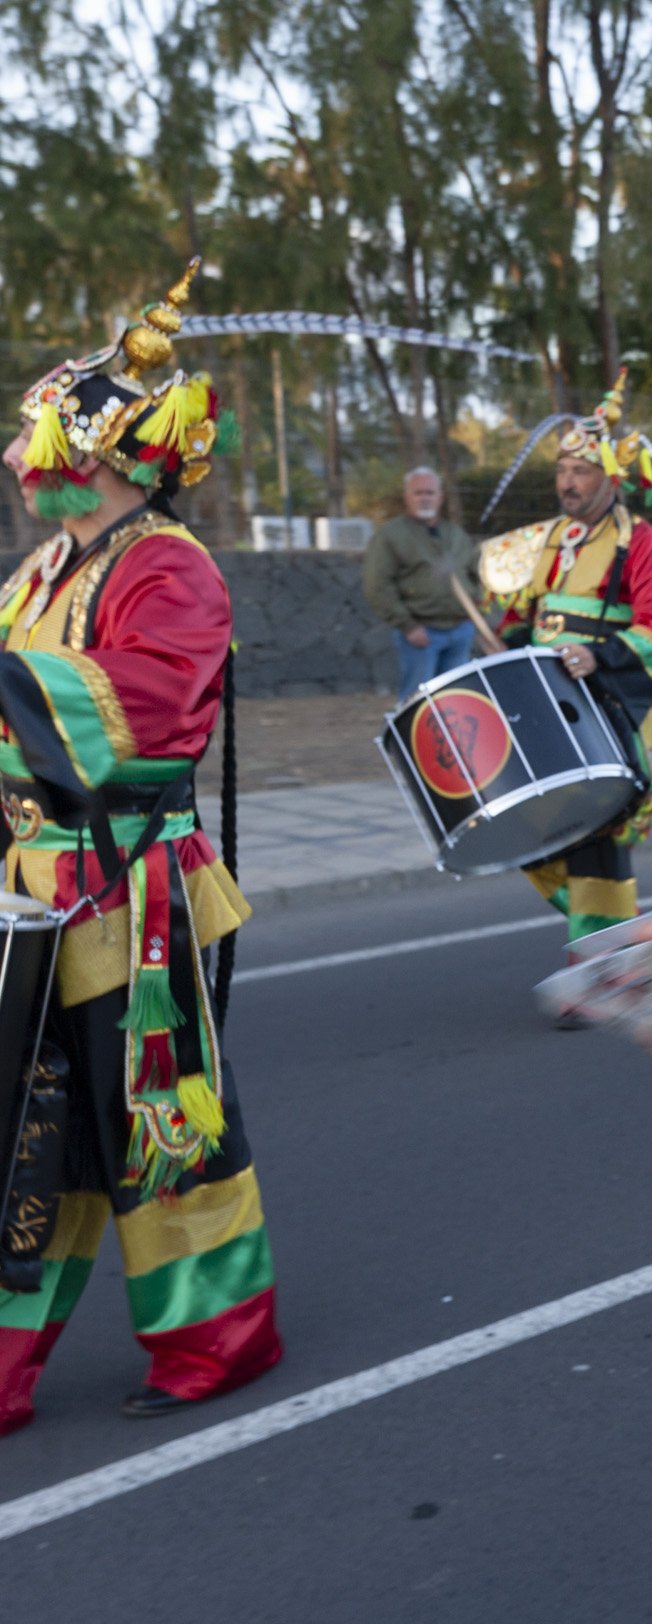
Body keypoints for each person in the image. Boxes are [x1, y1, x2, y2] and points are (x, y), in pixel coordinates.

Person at [0, 262, 282, 1434]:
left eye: (33, 438)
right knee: (27, 1129)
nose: (18, 462)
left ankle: (220, 1338)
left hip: (127, 900)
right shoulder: (41, 572)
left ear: (93, 448)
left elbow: (146, 720)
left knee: (159, 1139)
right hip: (28, 896)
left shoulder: (168, 565)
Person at [477, 370, 652, 953]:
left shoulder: (638, 542)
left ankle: (599, 959)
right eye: (562, 471)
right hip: (542, 704)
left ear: (609, 478)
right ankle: (624, 932)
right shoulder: (545, 540)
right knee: (523, 820)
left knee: (597, 831)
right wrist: (504, 651)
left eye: (581, 471)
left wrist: (598, 656)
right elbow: (517, 619)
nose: (568, 483)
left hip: (604, 704)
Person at [363, 465, 483, 701]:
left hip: (460, 630)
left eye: (430, 492)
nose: (424, 498)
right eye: (418, 493)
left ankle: (451, 740)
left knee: (455, 700)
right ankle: (406, 739)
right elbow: (378, 584)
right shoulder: (391, 535)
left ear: (440, 497)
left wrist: (475, 607)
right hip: (422, 632)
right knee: (417, 702)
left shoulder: (454, 533)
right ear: (407, 496)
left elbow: (474, 571)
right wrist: (407, 625)